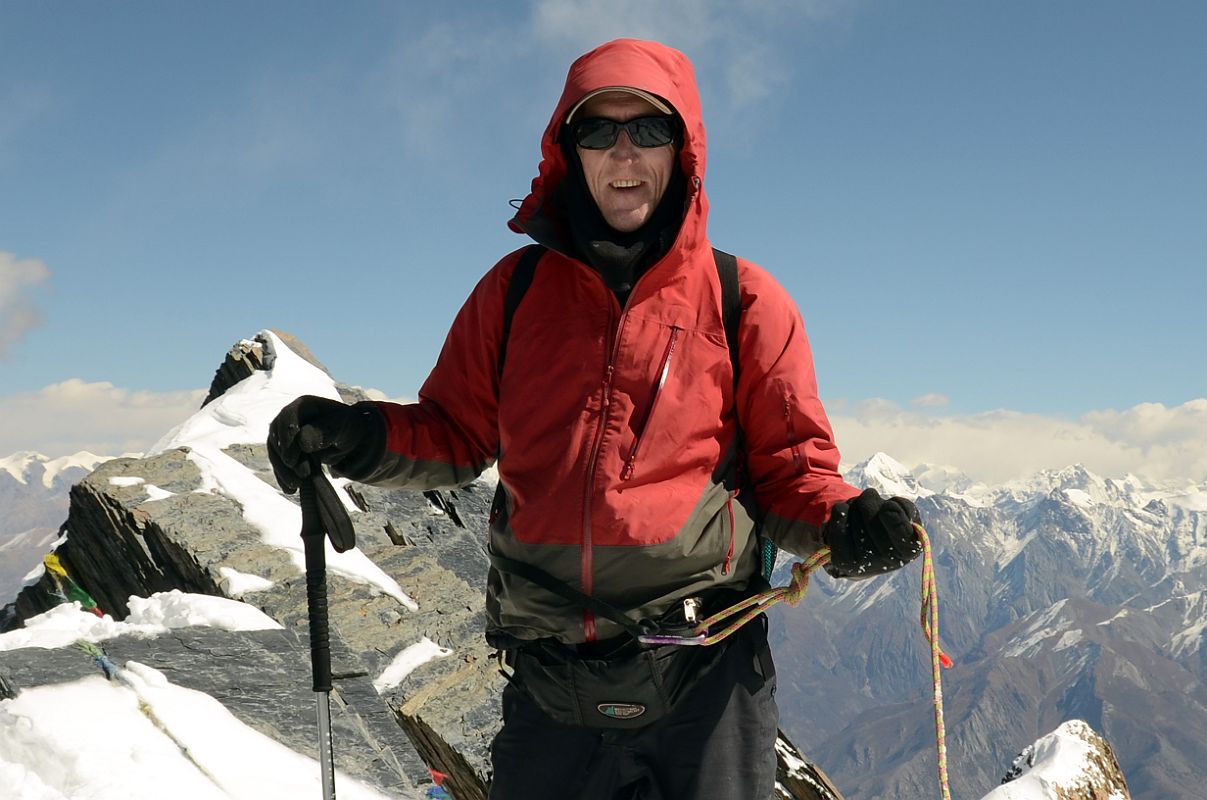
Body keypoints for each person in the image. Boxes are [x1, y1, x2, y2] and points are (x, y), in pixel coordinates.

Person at [268, 38, 923, 800]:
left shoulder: (741, 301)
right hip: (549, 682)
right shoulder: (512, 295)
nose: (623, 152)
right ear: (566, 150)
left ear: (683, 150)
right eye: (597, 130)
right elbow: (454, 434)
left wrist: (843, 525)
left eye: (647, 129)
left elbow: (790, 473)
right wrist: (356, 435)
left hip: (703, 680)